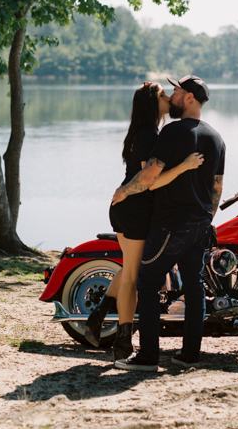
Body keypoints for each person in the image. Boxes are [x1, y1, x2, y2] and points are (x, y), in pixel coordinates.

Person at [111, 75, 225, 372]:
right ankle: (190, 354)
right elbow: (217, 188)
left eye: (176, 91)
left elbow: (149, 176)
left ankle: (148, 356)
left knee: (147, 283)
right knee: (194, 286)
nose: (172, 95)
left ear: (188, 97)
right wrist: (205, 218)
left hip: (170, 223)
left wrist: (124, 191)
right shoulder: (217, 138)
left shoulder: (172, 132)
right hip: (200, 225)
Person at [84, 82, 204, 362]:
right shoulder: (150, 134)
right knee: (133, 278)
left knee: (130, 268)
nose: (167, 98)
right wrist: (184, 166)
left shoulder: (141, 132)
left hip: (128, 208)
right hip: (136, 209)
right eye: (163, 95)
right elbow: (149, 180)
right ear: (153, 103)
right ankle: (123, 344)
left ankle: (97, 316)